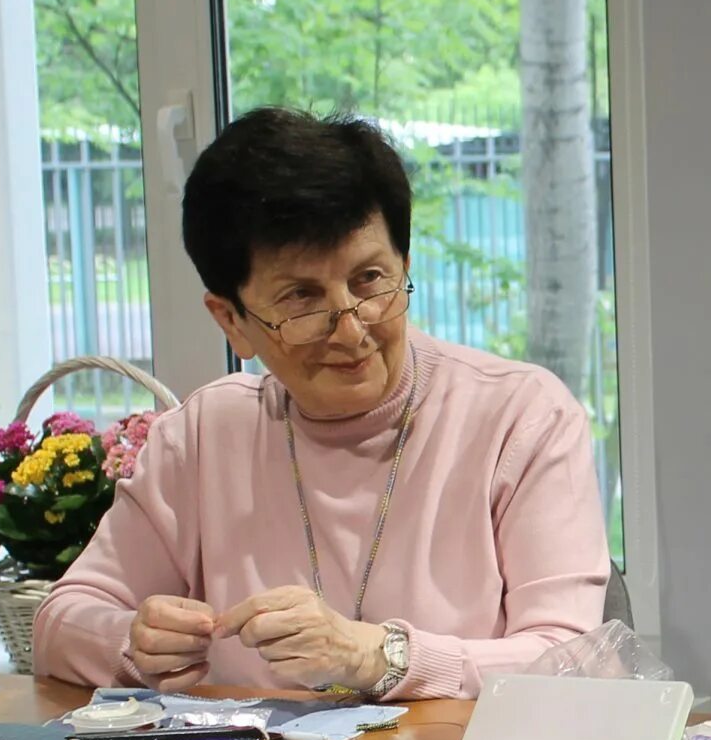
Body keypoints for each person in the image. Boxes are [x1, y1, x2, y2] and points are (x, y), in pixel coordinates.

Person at [31, 109, 609, 698]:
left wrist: (381, 656)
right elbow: (60, 621)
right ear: (231, 321)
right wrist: (133, 642)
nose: (352, 329)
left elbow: (570, 661)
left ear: (405, 266)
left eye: (370, 281)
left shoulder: (519, 418)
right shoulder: (206, 434)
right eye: (302, 299)